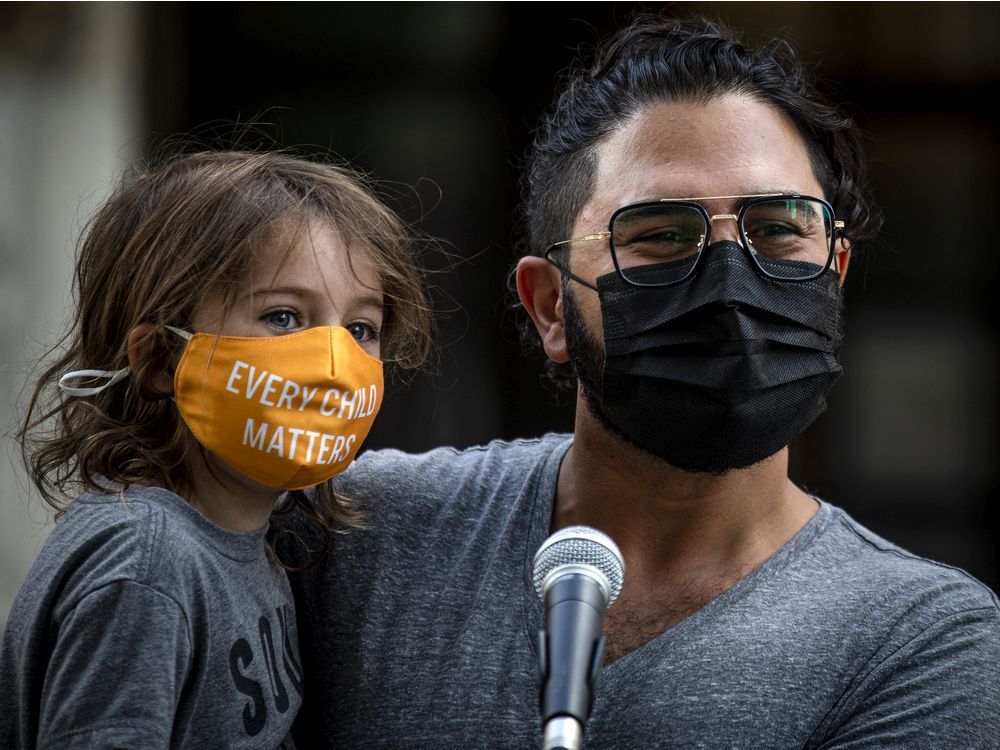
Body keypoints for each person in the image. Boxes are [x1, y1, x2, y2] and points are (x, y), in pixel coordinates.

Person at [279, 17, 1000, 748]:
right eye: (661, 233)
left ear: (833, 274)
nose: (730, 279)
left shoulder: (921, 641)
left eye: (780, 227)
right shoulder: (358, 531)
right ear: (552, 306)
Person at [0, 150, 432, 749]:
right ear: (159, 361)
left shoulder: (248, 541)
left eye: (361, 329)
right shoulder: (146, 564)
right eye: (283, 317)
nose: (336, 365)